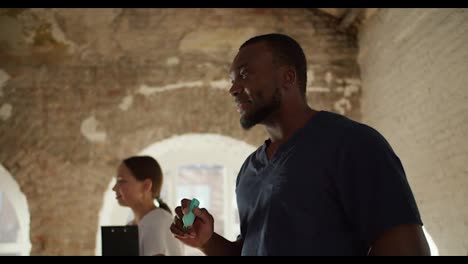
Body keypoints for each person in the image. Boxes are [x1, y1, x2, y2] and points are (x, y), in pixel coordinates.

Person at [170, 33, 431, 256]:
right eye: (232, 80)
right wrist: (206, 241)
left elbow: (406, 249)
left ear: (288, 77)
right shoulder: (249, 171)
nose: (234, 89)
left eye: (245, 75)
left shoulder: (352, 144)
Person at [112, 156, 183, 256]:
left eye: (121, 181)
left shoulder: (158, 220)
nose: (114, 188)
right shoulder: (131, 225)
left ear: (146, 186)